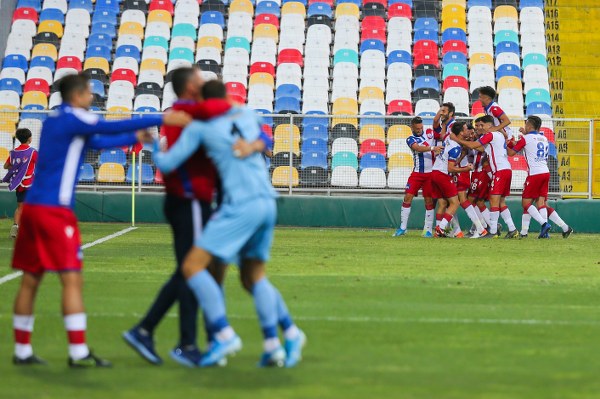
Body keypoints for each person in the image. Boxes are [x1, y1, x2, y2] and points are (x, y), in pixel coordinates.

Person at [10, 73, 191, 367]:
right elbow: (109, 126)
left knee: (30, 280)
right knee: (71, 279)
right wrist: (162, 118)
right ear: (77, 94)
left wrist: (136, 138)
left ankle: (22, 351)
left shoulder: (54, 121)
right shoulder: (75, 118)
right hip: (55, 211)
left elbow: (95, 142)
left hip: (32, 209)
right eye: (89, 92)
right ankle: (79, 353)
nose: (93, 97)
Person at [153, 80, 305, 368]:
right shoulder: (246, 114)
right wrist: (255, 145)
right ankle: (281, 341)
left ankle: (222, 334)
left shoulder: (201, 127)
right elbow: (266, 141)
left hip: (240, 204)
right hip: (267, 201)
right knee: (253, 276)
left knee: (193, 267)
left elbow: (168, 164)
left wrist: (151, 144)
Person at [124, 67, 270, 367]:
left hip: (192, 199)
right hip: (190, 198)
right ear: (190, 86)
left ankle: (188, 340)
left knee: (192, 269)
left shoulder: (185, 111)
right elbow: (228, 111)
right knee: (192, 270)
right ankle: (169, 335)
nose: (205, 83)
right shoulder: (191, 112)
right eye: (200, 80)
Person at [452, 115, 518, 239]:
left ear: (489, 125)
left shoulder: (491, 134)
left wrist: (456, 139)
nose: (480, 128)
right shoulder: (498, 135)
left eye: (482, 125)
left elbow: (473, 146)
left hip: (499, 170)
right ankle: (512, 229)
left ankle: (493, 231)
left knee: (494, 200)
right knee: (501, 201)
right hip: (506, 169)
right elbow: (482, 148)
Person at [507, 115, 572, 239]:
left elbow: (511, 153)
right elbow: (530, 145)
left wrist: (508, 144)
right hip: (545, 172)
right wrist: (522, 137)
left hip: (534, 174)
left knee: (526, 203)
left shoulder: (525, 139)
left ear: (529, 126)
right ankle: (563, 228)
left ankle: (544, 224)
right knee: (541, 203)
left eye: (526, 125)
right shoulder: (544, 138)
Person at [393, 117, 442, 238]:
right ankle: (403, 228)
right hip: (417, 174)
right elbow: (418, 148)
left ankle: (427, 229)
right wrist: (432, 148)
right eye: (417, 128)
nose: (420, 130)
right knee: (407, 197)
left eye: (421, 128)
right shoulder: (410, 139)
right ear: (412, 128)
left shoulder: (430, 133)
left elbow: (441, 135)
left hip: (431, 173)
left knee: (429, 201)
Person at [430, 122, 475, 237]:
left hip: (434, 172)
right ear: (461, 133)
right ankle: (440, 228)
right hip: (442, 174)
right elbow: (450, 168)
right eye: (465, 129)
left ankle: (438, 232)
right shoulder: (455, 148)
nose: (468, 131)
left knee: (443, 203)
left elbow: (448, 134)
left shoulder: (449, 138)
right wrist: (466, 169)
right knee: (455, 203)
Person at [3, 128, 38, 238]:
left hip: (19, 184)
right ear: (29, 139)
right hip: (30, 183)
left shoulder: (13, 153)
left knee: (20, 208)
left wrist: (17, 166)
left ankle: (15, 228)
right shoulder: (33, 152)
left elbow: (6, 166)